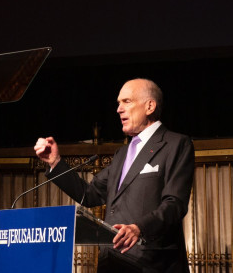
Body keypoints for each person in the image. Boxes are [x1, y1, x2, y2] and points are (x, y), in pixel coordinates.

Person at [34, 78, 194, 273]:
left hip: (151, 263)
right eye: (118, 103)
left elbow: (175, 203)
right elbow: (89, 195)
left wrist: (140, 228)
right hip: (112, 262)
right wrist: (55, 162)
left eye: (127, 101)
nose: (119, 109)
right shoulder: (122, 154)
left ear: (150, 106)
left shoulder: (176, 144)